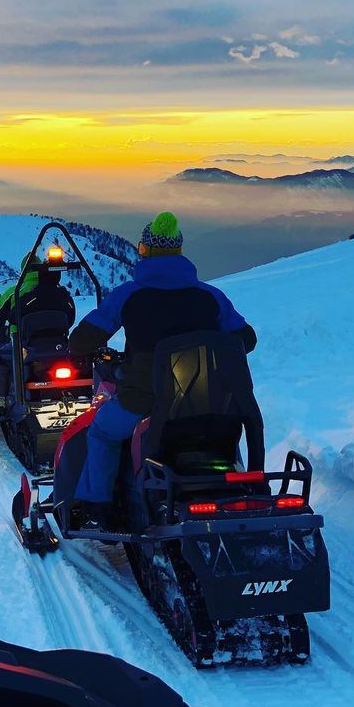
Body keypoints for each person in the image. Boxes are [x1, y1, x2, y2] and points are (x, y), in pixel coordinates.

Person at [67, 212, 256, 528]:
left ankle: (96, 506)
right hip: (204, 402)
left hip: (143, 401)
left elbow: (81, 341)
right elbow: (246, 338)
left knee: (102, 432)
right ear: (179, 251)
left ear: (146, 251)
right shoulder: (211, 296)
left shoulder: (130, 294)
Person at [0, 253, 76, 414]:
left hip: (23, 345)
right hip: (59, 346)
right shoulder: (60, 293)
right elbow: (71, 318)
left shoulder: (16, 292)